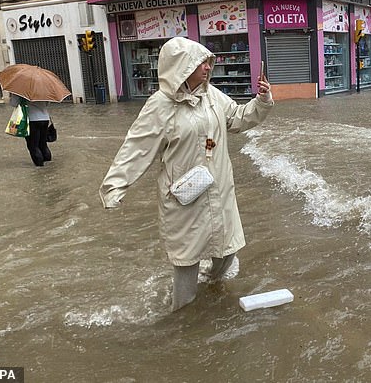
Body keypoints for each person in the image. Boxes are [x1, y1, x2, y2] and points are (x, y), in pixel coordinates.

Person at [99, 37, 274, 312]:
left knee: (226, 250)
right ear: (182, 67)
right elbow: (136, 147)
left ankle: (212, 290)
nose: (207, 67)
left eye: (207, 62)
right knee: (186, 261)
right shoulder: (160, 106)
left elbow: (238, 118)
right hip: (185, 197)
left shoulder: (212, 96)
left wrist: (261, 101)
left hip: (219, 189)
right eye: (200, 63)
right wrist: (115, 187)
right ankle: (181, 316)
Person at [9, 93, 51, 166]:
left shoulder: (20, 90)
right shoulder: (43, 89)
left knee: (33, 146)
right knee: (43, 144)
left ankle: (40, 167)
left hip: (31, 120)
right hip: (45, 118)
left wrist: (13, 95)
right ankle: (49, 165)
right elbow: (47, 103)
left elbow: (14, 103)